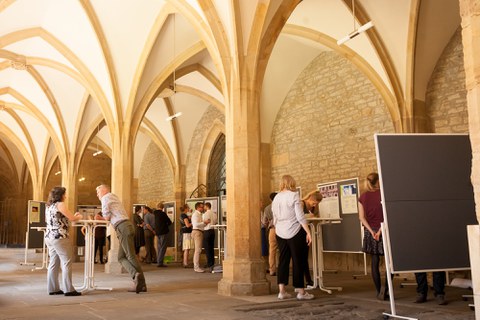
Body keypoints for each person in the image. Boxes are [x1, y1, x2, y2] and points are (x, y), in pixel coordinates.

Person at [96, 184, 147, 293]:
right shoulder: (113, 196)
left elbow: (107, 217)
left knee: (130, 256)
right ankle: (140, 281)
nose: (97, 195)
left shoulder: (105, 198)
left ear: (104, 191)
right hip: (127, 226)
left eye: (98, 192)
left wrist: (99, 218)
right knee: (121, 257)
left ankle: (138, 280)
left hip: (122, 227)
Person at [272, 175, 314, 300]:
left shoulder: (276, 197)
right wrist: (308, 232)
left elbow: (274, 218)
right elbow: (300, 216)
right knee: (298, 260)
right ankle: (301, 292)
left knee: (283, 260)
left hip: (280, 231)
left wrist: (278, 228)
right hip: (294, 231)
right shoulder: (293, 195)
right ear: (291, 183)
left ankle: (282, 291)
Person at [44, 186, 83, 296]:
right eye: (64, 194)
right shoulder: (60, 204)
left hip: (49, 236)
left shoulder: (49, 206)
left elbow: (55, 219)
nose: (65, 196)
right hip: (60, 237)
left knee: (53, 263)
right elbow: (72, 218)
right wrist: (78, 216)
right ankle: (69, 289)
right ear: (60, 195)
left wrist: (71, 217)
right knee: (66, 262)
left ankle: (53, 288)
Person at [358, 172, 389, 300]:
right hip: (384, 229)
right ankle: (386, 290)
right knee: (389, 262)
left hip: (370, 231)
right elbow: (387, 214)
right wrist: (380, 230)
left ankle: (378, 291)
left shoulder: (362, 197)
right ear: (378, 182)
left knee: (374, 262)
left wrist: (371, 231)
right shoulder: (383, 194)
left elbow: (361, 217)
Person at [301, 190, 323, 289]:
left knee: (305, 256)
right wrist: (310, 216)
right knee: (301, 257)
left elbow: (316, 216)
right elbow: (299, 217)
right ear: (310, 198)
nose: (315, 205)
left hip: (308, 231)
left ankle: (309, 280)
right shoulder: (302, 203)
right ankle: (307, 280)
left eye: (317, 203)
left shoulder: (314, 206)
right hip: (299, 231)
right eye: (314, 202)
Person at [262, 192, 278, 276]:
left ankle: (272, 270)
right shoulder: (280, 206)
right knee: (285, 250)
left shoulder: (267, 208)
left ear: (270, 199)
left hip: (272, 229)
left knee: (272, 250)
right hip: (283, 229)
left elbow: (264, 222)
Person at [153, 202, 172, 267]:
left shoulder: (154, 213)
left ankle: (159, 261)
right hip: (163, 232)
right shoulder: (163, 214)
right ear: (163, 207)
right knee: (163, 247)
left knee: (159, 247)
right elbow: (169, 222)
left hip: (157, 232)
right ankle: (160, 262)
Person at [192, 202, 208, 273]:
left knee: (198, 250)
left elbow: (200, 225)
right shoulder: (196, 214)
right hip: (197, 232)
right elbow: (196, 224)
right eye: (201, 207)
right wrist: (204, 222)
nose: (203, 208)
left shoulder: (199, 214)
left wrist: (205, 224)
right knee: (198, 250)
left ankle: (196, 266)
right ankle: (196, 267)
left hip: (199, 231)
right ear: (198, 208)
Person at [202, 202, 217, 271]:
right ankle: (212, 262)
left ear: (206, 206)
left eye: (204, 206)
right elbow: (215, 222)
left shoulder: (206, 213)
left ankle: (209, 263)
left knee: (207, 248)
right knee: (211, 247)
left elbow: (205, 222)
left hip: (207, 231)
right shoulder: (214, 214)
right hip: (212, 231)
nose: (203, 208)